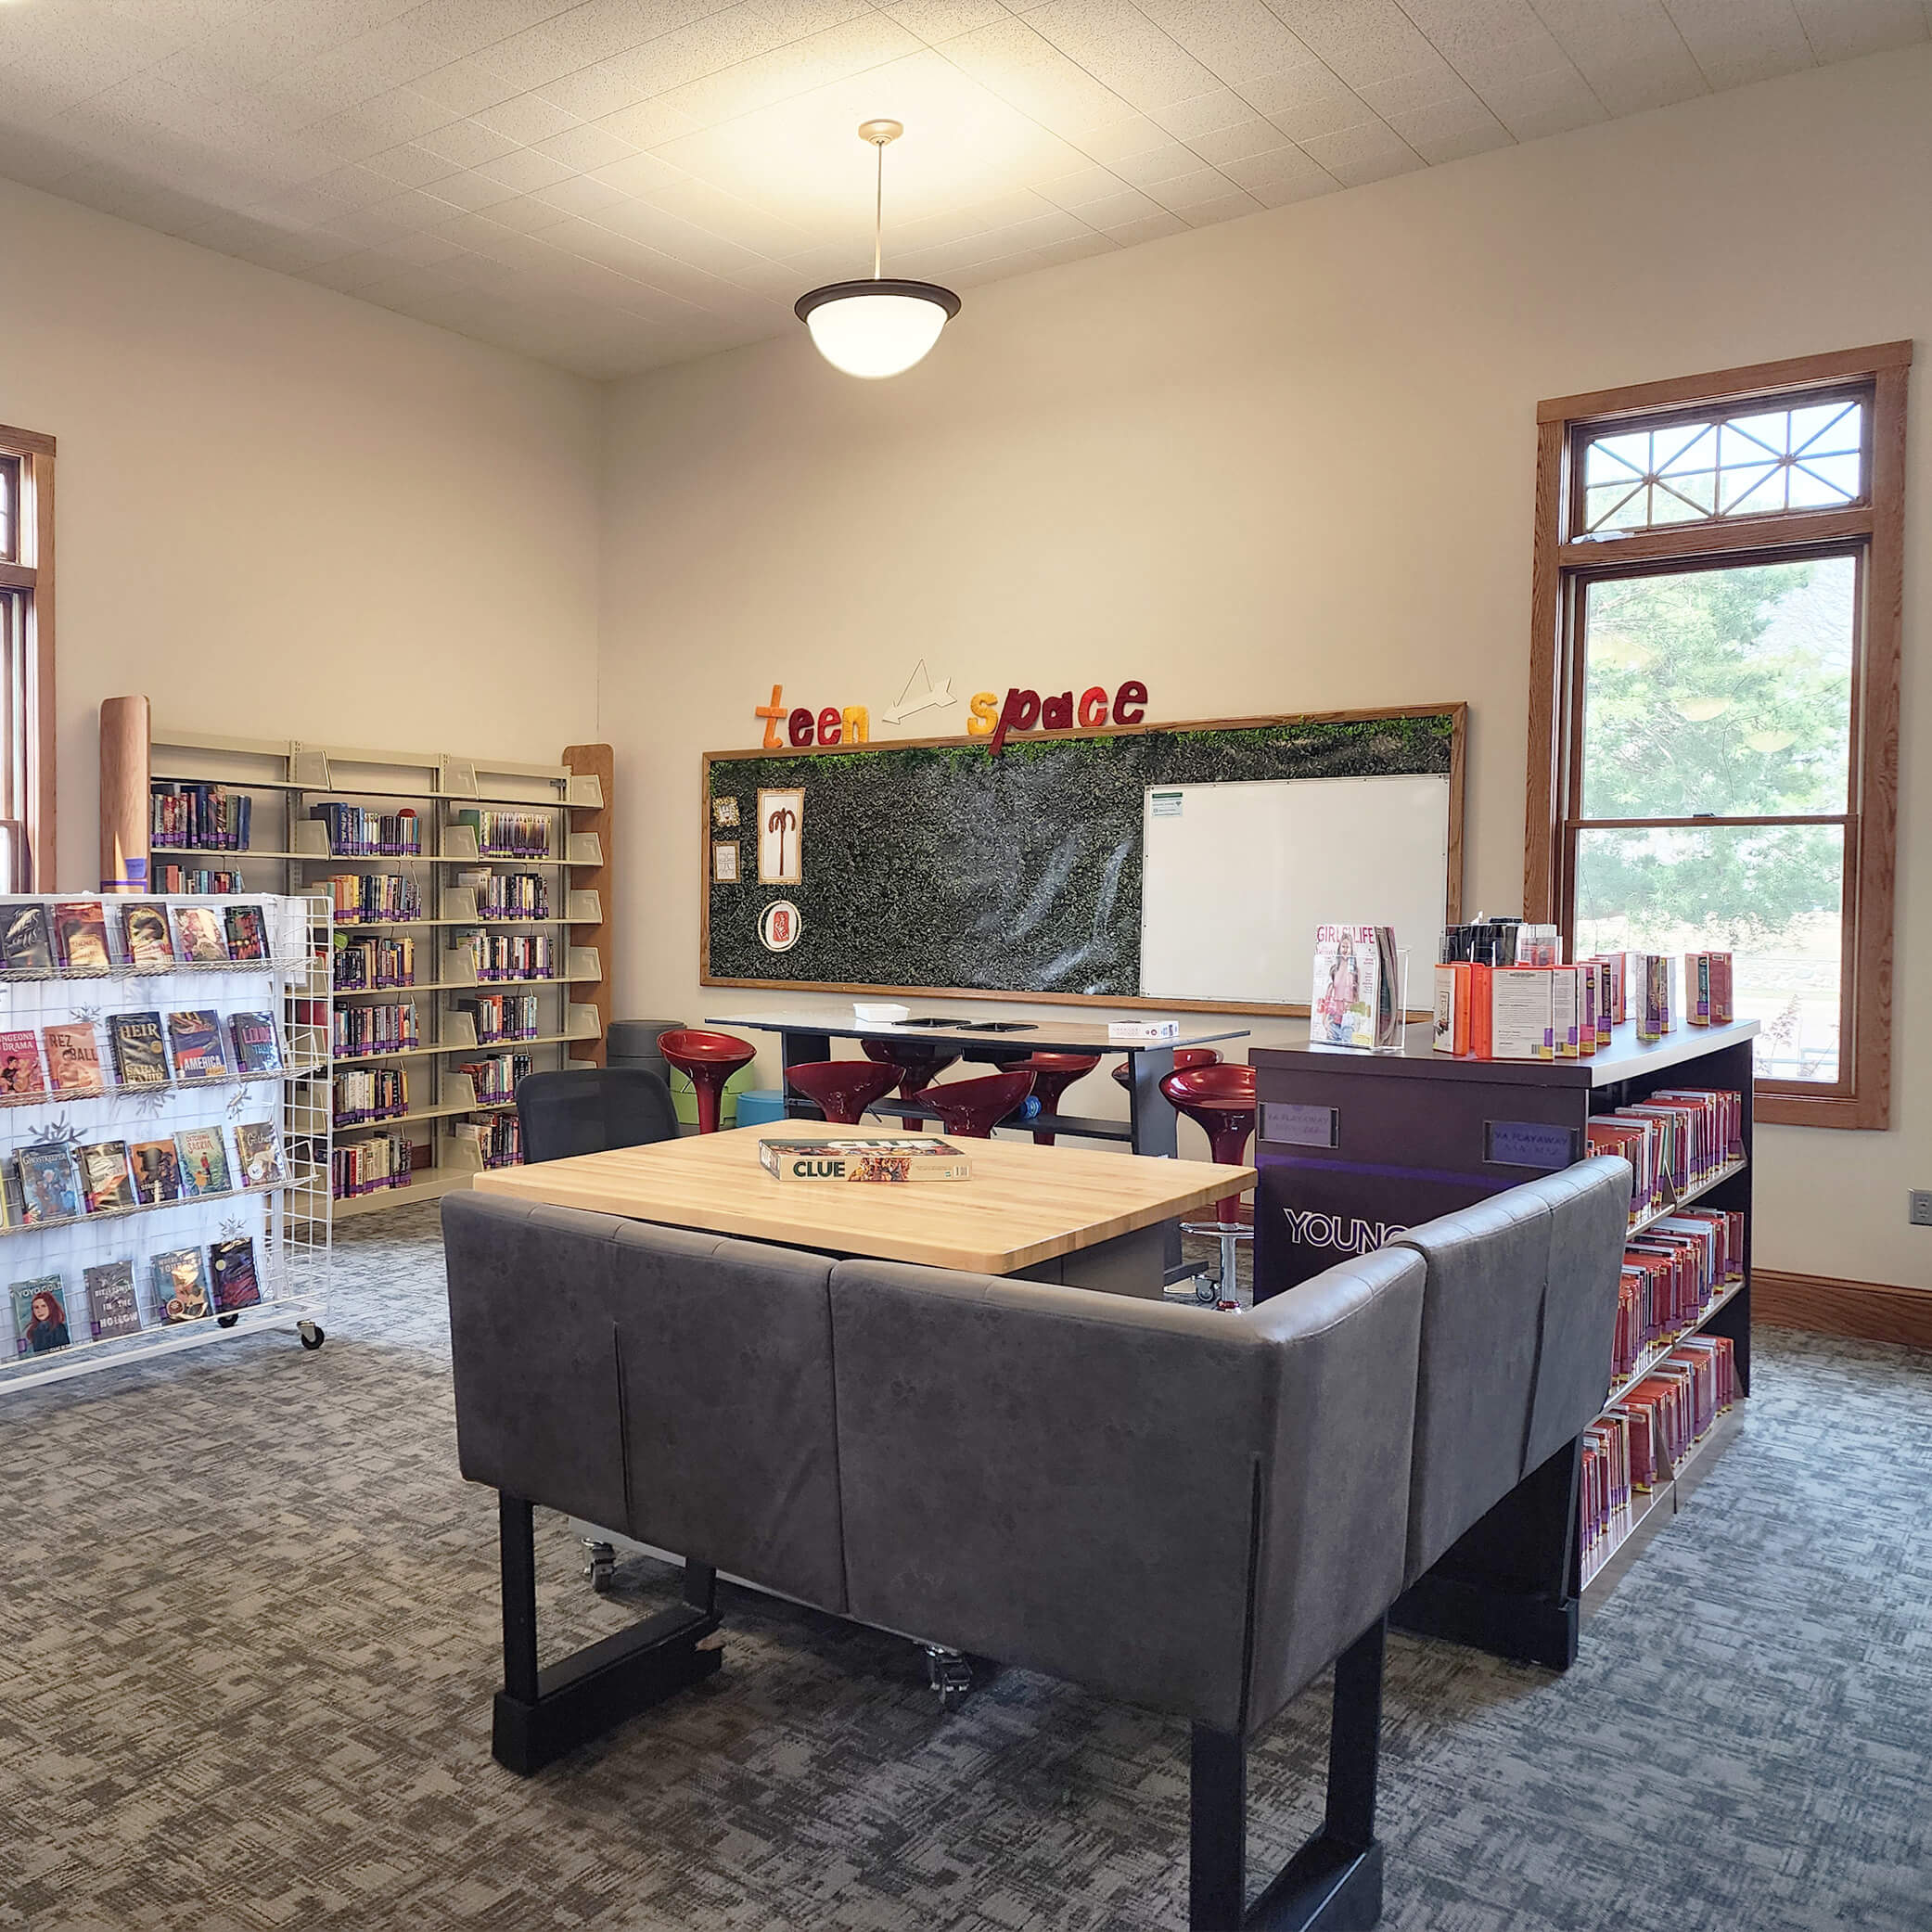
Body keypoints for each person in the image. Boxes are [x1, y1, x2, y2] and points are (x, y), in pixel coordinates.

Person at [23, 1286, 70, 1353]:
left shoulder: (59, 1328)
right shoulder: (35, 1331)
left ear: (51, 1307)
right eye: (36, 1307)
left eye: (43, 1306)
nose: (40, 1311)